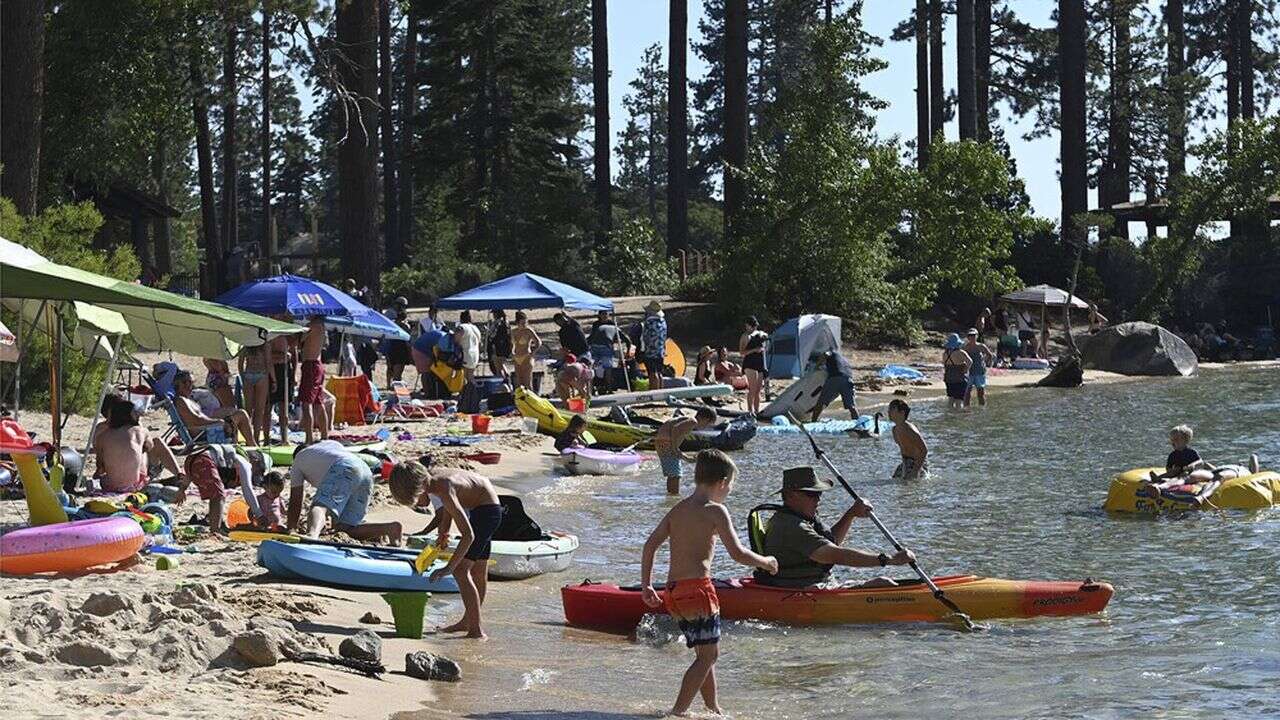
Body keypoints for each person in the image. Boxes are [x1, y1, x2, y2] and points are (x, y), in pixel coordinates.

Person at [639, 449, 778, 717]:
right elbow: (738, 554)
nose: (728, 492)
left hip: (674, 593)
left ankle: (712, 708)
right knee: (708, 656)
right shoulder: (716, 511)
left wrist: (647, 586)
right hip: (698, 591)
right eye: (730, 487)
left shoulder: (677, 510)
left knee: (705, 653)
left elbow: (650, 546)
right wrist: (766, 562)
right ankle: (677, 712)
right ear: (722, 482)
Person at [388, 458, 504, 639]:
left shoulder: (443, 488)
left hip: (487, 511)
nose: (418, 505)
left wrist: (448, 567)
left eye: (415, 501)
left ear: (420, 488)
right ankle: (468, 622)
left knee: (460, 570)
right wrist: (444, 529)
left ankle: (476, 631)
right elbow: (449, 508)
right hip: (484, 504)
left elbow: (468, 535)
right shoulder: (434, 479)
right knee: (478, 570)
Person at [753, 466, 915, 589]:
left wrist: (851, 514)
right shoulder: (791, 526)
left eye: (819, 494)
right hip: (802, 591)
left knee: (885, 583)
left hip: (817, 586)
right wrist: (889, 560)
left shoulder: (800, 517)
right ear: (790, 495)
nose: (818, 499)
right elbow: (834, 555)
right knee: (883, 584)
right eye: (811, 494)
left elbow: (831, 542)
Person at [286, 439, 401, 543]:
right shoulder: (329, 446)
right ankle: (390, 529)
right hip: (365, 471)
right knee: (345, 528)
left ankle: (312, 535)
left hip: (344, 467)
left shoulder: (298, 459)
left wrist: (291, 529)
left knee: (319, 507)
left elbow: (296, 500)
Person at [93, 395, 185, 493]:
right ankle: (174, 477)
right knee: (150, 444)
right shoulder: (137, 430)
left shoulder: (102, 435)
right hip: (136, 481)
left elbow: (100, 467)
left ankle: (178, 475)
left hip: (111, 484)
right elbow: (150, 446)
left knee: (146, 444)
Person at [174, 370, 255, 443]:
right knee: (241, 414)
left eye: (190, 382)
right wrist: (217, 422)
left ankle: (249, 445)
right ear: (177, 385)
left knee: (236, 415)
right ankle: (252, 445)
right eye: (184, 382)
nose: (188, 385)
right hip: (205, 434)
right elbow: (197, 420)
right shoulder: (181, 401)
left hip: (207, 429)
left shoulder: (188, 399)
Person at [655, 407, 718, 495]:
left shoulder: (689, 421)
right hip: (666, 442)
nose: (706, 427)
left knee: (673, 473)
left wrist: (685, 457)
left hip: (662, 441)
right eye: (708, 424)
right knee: (675, 474)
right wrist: (674, 447)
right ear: (705, 419)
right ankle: (674, 494)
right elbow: (675, 429)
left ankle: (671, 494)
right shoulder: (693, 421)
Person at [298, 316, 330, 444]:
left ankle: (309, 438)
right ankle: (324, 434)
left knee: (307, 404)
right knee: (318, 402)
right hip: (316, 365)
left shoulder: (313, 325)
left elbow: (300, 340)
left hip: (311, 365)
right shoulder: (321, 325)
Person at [809, 350, 858, 422]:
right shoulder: (844, 360)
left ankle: (813, 422)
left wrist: (817, 365)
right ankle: (858, 424)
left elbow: (825, 354)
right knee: (851, 406)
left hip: (835, 379)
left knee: (821, 403)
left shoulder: (832, 352)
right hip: (848, 380)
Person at [238, 344, 271, 445]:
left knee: (248, 409)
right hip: (261, 374)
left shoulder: (246, 347)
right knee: (259, 410)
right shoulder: (264, 346)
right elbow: (268, 363)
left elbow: (240, 365)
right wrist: (273, 380)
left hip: (249, 374)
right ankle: (255, 438)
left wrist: (243, 378)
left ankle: (248, 438)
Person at [888, 399, 929, 480]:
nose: (888, 412)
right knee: (894, 480)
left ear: (902, 412)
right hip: (906, 462)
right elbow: (903, 450)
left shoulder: (909, 429)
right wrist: (904, 466)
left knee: (908, 485)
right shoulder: (894, 430)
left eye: (892, 409)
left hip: (918, 462)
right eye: (889, 409)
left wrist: (916, 470)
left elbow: (924, 450)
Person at [739, 316, 768, 415]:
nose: (746, 327)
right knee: (753, 388)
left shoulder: (760, 334)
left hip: (759, 362)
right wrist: (754, 350)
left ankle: (757, 410)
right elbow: (742, 352)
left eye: (747, 325)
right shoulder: (745, 336)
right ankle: (749, 411)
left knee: (758, 390)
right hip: (750, 363)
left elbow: (766, 342)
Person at [268, 331, 293, 445]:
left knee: (284, 407)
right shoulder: (270, 335)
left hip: (286, 371)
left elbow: (293, 355)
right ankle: (266, 438)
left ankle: (284, 438)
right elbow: (268, 357)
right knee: (268, 407)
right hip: (273, 371)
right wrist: (283, 356)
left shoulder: (288, 334)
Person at [962, 329, 995, 408]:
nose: (972, 337)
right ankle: (967, 408)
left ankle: (982, 408)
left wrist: (986, 363)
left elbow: (990, 355)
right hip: (969, 372)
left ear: (976, 336)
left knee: (980, 392)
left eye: (973, 335)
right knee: (967, 392)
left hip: (980, 372)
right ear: (968, 337)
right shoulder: (966, 347)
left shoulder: (981, 346)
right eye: (970, 336)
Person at [640, 301, 668, 391]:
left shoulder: (649, 322)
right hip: (660, 350)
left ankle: (653, 392)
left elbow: (645, 336)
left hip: (651, 350)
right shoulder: (663, 321)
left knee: (652, 372)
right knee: (659, 372)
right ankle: (660, 391)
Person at [510, 311, 542, 391]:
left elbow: (538, 342)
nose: (524, 325)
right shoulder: (513, 332)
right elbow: (511, 344)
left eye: (525, 323)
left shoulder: (528, 331)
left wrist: (532, 353)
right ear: (517, 323)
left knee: (527, 382)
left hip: (526, 357)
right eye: (522, 323)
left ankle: (531, 400)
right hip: (517, 357)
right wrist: (512, 353)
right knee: (519, 383)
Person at [386, 298, 414, 384]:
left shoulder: (395, 315)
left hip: (392, 344)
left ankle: (391, 382)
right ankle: (393, 382)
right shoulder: (390, 314)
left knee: (392, 365)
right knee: (395, 365)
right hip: (396, 344)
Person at [941, 333, 972, 410]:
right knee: (959, 400)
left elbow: (945, 365)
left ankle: (949, 415)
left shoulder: (945, 354)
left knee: (950, 399)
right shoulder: (961, 353)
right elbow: (970, 362)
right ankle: (958, 417)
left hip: (948, 379)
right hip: (959, 379)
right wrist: (965, 370)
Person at [456, 312, 483, 384]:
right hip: (475, 355)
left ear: (461, 319)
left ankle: (464, 393)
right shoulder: (475, 328)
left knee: (463, 377)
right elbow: (480, 343)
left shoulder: (462, 327)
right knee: (470, 376)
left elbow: (456, 341)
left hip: (466, 355)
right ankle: (474, 392)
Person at [487, 309, 513, 381]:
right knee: (501, 365)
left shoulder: (497, 323)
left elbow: (491, 335)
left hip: (497, 347)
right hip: (505, 347)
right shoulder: (506, 322)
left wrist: (488, 330)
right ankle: (508, 379)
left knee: (498, 367)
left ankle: (501, 381)